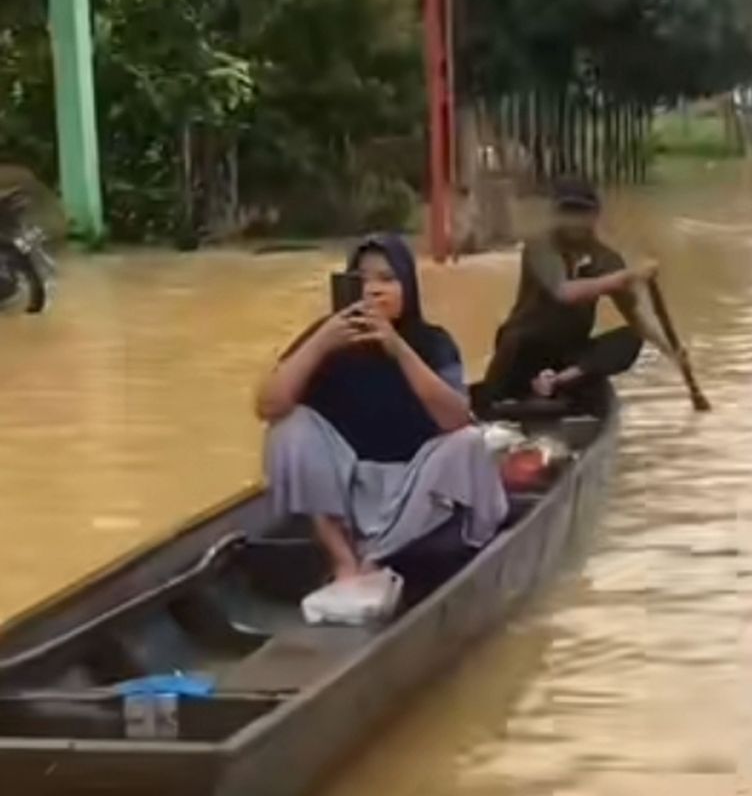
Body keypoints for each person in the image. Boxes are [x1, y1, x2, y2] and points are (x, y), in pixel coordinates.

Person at [257, 234, 508, 582]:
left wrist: (396, 347)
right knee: (287, 428)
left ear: (408, 287)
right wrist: (321, 342)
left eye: (387, 280)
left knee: (470, 443)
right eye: (362, 280)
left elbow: (456, 418)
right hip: (347, 486)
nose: (373, 290)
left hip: (416, 493)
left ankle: (376, 558)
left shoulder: (431, 341)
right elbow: (268, 405)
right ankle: (343, 558)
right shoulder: (327, 338)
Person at [480, 177, 670, 411]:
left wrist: (670, 349)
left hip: (568, 353)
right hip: (524, 349)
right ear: (555, 215)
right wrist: (627, 277)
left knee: (630, 337)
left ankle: (556, 381)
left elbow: (635, 318)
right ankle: (515, 392)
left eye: (581, 212)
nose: (574, 222)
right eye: (567, 212)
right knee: (512, 346)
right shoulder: (540, 248)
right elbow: (564, 293)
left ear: (594, 215)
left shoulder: (606, 259)